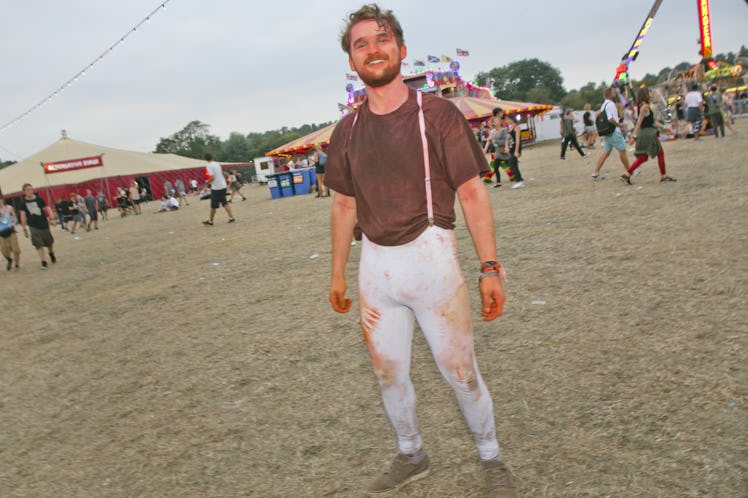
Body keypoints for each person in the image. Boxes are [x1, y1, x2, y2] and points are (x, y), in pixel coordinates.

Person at [326, 5, 516, 496]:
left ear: (402, 50)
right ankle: (411, 452)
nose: (373, 49)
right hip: (376, 269)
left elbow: (473, 193)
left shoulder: (437, 114)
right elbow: (344, 205)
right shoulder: (346, 131)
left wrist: (490, 267)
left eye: (382, 39)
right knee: (388, 374)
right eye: (361, 43)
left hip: (432, 261)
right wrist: (338, 274)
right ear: (351, 60)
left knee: (460, 373)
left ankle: (491, 458)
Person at [619, 87, 677, 185]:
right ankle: (663, 176)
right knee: (660, 153)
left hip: (645, 133)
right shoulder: (645, 107)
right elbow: (639, 122)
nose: (650, 93)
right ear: (645, 94)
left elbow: (653, 121)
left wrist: (664, 127)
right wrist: (634, 137)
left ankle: (627, 174)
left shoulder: (644, 106)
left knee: (643, 157)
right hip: (648, 133)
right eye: (649, 92)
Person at [592, 87, 631, 180]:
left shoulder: (604, 105)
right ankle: (630, 171)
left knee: (606, 153)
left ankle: (595, 173)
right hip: (613, 132)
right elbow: (610, 119)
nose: (615, 94)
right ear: (610, 94)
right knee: (623, 151)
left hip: (607, 133)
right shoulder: (611, 104)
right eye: (614, 93)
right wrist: (619, 125)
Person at [17, 183, 57, 269]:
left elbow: (47, 208)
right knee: (38, 244)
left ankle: (51, 253)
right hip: (33, 225)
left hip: (43, 223)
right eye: (28, 190)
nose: (30, 191)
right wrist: (24, 228)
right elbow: (22, 215)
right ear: (24, 192)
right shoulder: (23, 202)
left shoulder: (39, 199)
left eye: (31, 189)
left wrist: (52, 218)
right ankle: (43, 261)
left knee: (49, 242)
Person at [202, 153, 235, 225]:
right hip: (223, 186)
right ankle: (231, 217)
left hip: (216, 188)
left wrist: (208, 182)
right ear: (212, 157)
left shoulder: (208, 166)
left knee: (213, 205)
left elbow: (212, 177)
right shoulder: (217, 164)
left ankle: (210, 221)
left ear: (205, 159)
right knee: (224, 202)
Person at [503, 113, 525, 188]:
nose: (506, 121)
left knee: (512, 163)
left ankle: (519, 180)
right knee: (510, 164)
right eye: (506, 119)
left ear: (512, 118)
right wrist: (507, 147)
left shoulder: (516, 126)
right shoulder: (509, 127)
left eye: (508, 119)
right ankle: (518, 179)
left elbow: (518, 139)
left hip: (516, 147)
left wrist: (516, 151)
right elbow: (507, 138)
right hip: (511, 148)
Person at [0, 195, 21, 271]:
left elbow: (14, 217)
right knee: (4, 251)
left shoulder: (9, 208)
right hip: (1, 233)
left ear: (2, 200)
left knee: (16, 250)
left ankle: (17, 265)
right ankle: (9, 260)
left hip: (11, 231)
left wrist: (13, 223)